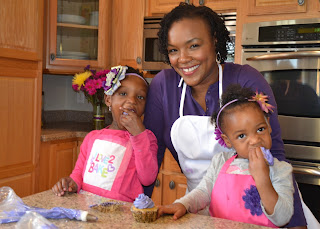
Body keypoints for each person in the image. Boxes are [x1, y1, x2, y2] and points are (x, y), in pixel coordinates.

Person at [143, 2, 307, 228]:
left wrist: (297, 225)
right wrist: (136, 207)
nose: (182, 59)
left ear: (214, 41)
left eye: (194, 45)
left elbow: (276, 152)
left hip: (263, 213)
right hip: (197, 207)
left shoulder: (245, 79)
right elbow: (151, 155)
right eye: (173, 50)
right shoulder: (163, 86)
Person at [158, 84, 294, 228]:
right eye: (242, 135)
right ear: (228, 140)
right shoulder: (220, 161)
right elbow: (203, 192)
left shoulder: (280, 169)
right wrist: (183, 204)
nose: (255, 140)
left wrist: (262, 178)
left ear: (269, 126)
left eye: (260, 129)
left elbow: (282, 218)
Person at [52, 65, 158, 202]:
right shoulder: (92, 138)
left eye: (140, 97)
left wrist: (138, 134)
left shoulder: (146, 138)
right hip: (87, 208)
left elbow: (148, 178)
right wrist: (71, 183)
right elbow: (78, 175)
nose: (132, 101)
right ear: (108, 100)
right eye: (123, 93)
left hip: (121, 215)